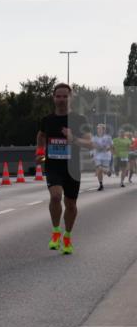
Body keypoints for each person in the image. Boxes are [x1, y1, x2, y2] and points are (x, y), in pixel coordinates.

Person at [36, 83, 92, 255]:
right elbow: (41, 136)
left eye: (64, 96)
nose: (61, 100)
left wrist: (73, 138)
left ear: (70, 98)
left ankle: (67, 236)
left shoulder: (79, 120)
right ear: (53, 98)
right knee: (55, 197)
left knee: (71, 205)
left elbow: (90, 143)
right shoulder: (47, 120)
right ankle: (55, 232)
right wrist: (40, 153)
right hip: (53, 166)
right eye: (58, 96)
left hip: (72, 168)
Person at [91, 124, 113, 191]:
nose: (99, 130)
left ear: (104, 130)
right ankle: (101, 185)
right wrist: (92, 154)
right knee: (99, 169)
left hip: (106, 156)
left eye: (100, 129)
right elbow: (92, 146)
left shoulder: (108, 137)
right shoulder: (94, 138)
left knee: (102, 170)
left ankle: (107, 171)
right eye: (98, 129)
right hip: (97, 156)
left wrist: (107, 148)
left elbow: (111, 146)